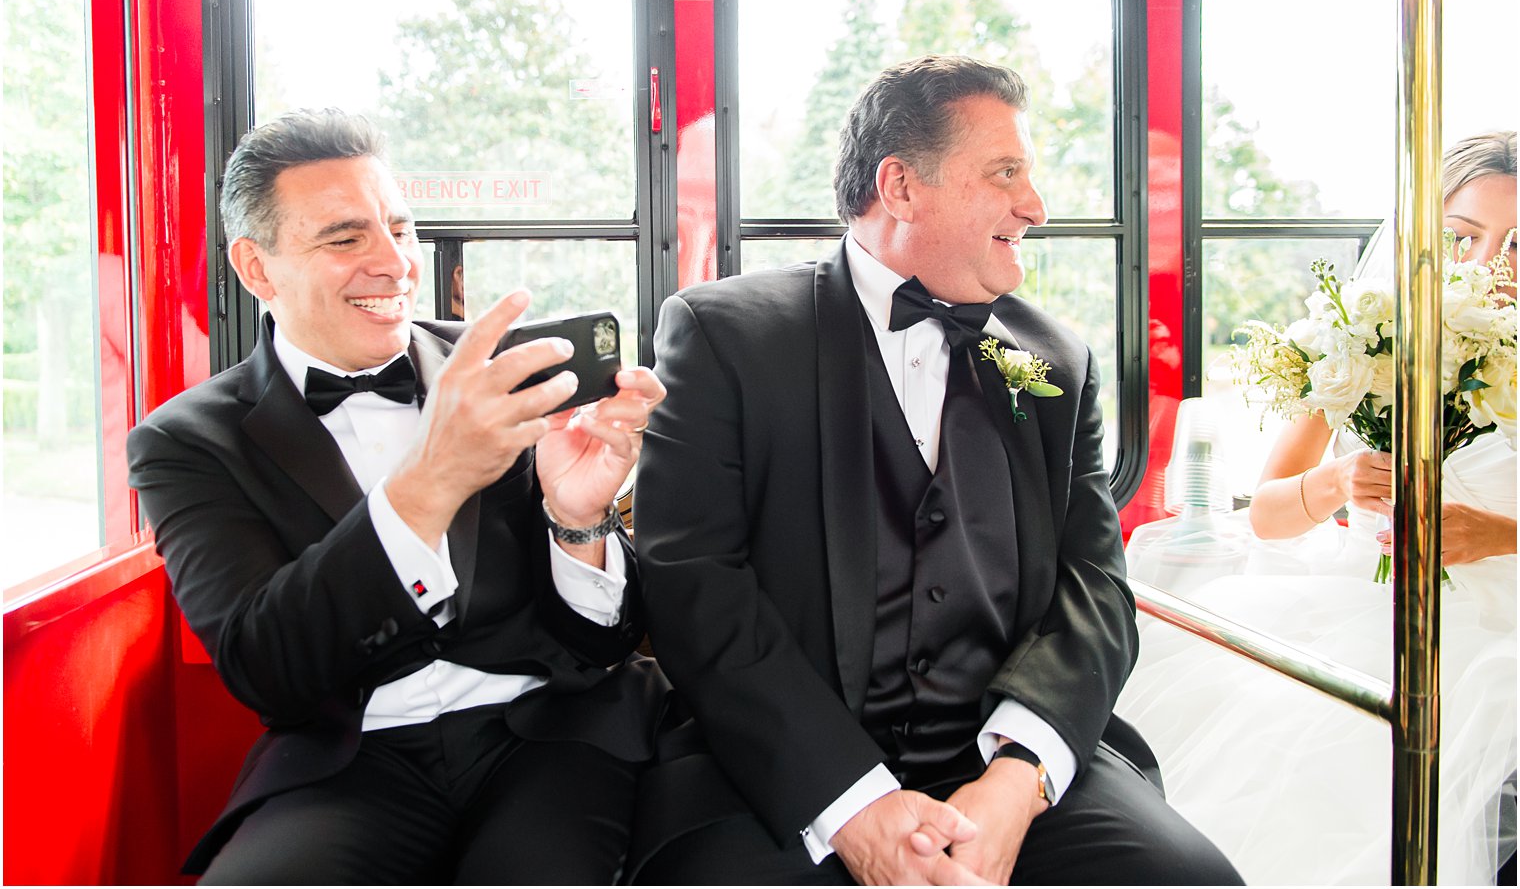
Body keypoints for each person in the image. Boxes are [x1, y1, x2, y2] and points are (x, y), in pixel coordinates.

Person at [629, 55, 1241, 885]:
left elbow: (1097, 589)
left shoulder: (1057, 361)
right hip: (779, 766)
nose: (1036, 206)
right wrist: (852, 804)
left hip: (1002, 753)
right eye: (1006, 174)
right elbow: (695, 588)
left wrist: (1015, 782)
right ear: (902, 187)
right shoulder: (725, 337)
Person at [126, 109, 667, 883]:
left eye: (401, 229)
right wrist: (430, 480)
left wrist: (576, 519)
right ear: (256, 268)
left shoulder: (495, 373)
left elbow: (604, 646)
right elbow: (266, 669)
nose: (394, 264)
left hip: (552, 734)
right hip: (348, 762)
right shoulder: (185, 441)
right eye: (345, 239)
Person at [1117, 130, 1517, 884]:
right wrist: (1335, 485)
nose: (1486, 267)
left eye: (1516, 244)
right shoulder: (1364, 345)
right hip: (1347, 601)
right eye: (1464, 237)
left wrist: (1496, 534)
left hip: (1498, 627)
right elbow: (1267, 514)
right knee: (1267, 725)